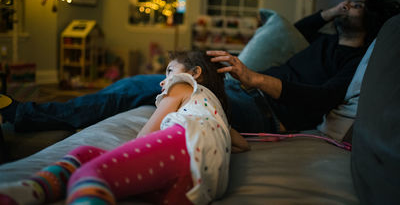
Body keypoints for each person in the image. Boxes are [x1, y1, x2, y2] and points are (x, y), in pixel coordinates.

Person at [0, 0, 399, 134]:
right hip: (246, 90)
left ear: (373, 18)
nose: (350, 5)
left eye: (359, 5)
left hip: (266, 112)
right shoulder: (326, 37)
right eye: (348, 1)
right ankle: (33, 115)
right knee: (150, 79)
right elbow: (299, 30)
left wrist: (253, 77)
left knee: (143, 87)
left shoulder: (360, 59)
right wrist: (330, 11)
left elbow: (323, 98)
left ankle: (25, 114)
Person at [0, 51, 247, 205]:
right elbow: (242, 144)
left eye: (169, 71)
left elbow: (145, 134)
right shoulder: (217, 113)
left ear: (195, 73)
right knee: (85, 153)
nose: (163, 80)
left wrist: (132, 150)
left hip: (185, 148)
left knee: (88, 175)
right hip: (203, 183)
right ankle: (35, 188)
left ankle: (20, 194)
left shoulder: (182, 85)